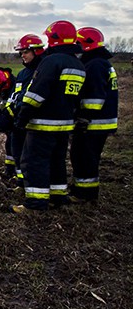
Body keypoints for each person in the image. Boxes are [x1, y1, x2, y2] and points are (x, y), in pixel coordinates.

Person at [12, 21, 85, 213]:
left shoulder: (51, 62)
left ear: (54, 38)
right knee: (56, 161)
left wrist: (22, 117)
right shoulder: (78, 64)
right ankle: (57, 198)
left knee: (33, 162)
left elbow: (36, 94)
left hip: (43, 124)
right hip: (65, 125)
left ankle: (35, 204)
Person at [70, 27, 119, 203]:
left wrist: (83, 118)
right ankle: (81, 190)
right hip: (100, 122)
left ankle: (85, 195)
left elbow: (94, 98)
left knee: (84, 158)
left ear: (85, 44)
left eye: (77, 43)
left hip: (94, 123)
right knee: (84, 156)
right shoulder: (101, 62)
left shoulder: (95, 65)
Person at [10, 34, 46, 186]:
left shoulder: (44, 70)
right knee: (18, 153)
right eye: (21, 52)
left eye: (25, 52)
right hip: (20, 120)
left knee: (32, 158)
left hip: (35, 121)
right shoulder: (23, 73)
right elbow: (16, 96)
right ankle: (22, 182)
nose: (22, 55)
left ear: (36, 51)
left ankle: (34, 191)